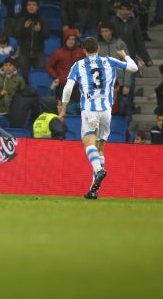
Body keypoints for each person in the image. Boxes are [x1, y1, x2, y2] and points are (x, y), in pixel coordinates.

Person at [57, 37, 138, 199]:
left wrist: (64, 109)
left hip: (89, 110)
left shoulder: (79, 65)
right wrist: (125, 56)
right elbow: (134, 68)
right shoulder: (109, 61)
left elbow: (67, 88)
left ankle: (98, 170)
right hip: (106, 112)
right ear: (98, 49)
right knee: (100, 149)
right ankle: (94, 190)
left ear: (84, 51)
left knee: (88, 142)